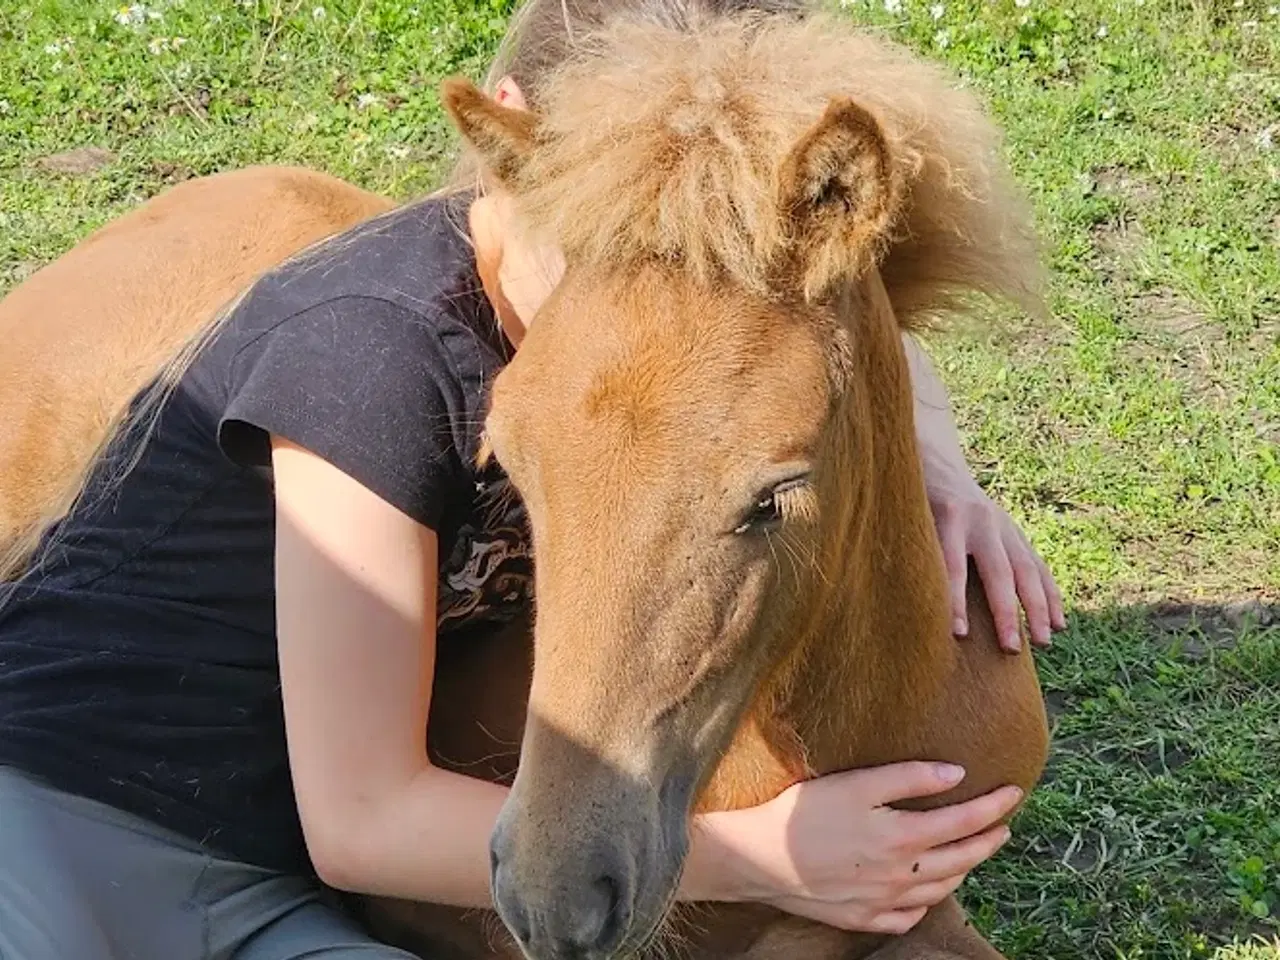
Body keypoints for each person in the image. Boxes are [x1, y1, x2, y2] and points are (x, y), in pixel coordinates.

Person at [0, 0, 1065, 956]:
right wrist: (756, 860)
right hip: (62, 813)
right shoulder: (376, 356)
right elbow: (362, 820)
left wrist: (932, 463)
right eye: (630, 194)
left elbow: (816, 326)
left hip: (268, 889)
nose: (660, 255)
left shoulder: (656, 290)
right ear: (510, 141)